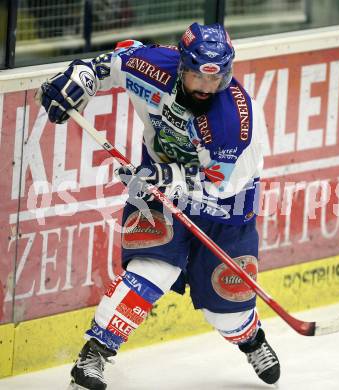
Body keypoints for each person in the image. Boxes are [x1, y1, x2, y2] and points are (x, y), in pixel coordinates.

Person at [36, 22, 280, 390]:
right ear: (182, 65)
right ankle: (96, 354)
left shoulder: (234, 121)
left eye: (217, 79)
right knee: (153, 269)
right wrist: (79, 78)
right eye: (198, 76)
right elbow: (107, 65)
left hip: (228, 200)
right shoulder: (152, 66)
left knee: (226, 308)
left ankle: (250, 338)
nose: (207, 88)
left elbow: (219, 183)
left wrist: (166, 177)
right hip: (157, 184)